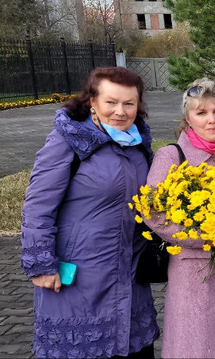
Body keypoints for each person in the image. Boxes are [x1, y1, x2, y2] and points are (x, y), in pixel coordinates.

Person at [21, 67, 159, 358]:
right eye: (111, 102)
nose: (120, 111)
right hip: (79, 278)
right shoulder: (68, 141)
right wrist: (42, 265)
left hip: (129, 273)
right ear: (92, 102)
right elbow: (38, 206)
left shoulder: (137, 144)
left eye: (129, 103)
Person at [144, 78, 215, 359]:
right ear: (188, 119)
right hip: (197, 277)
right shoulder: (172, 156)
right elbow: (152, 212)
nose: (212, 120)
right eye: (202, 113)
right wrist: (205, 235)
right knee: (201, 348)